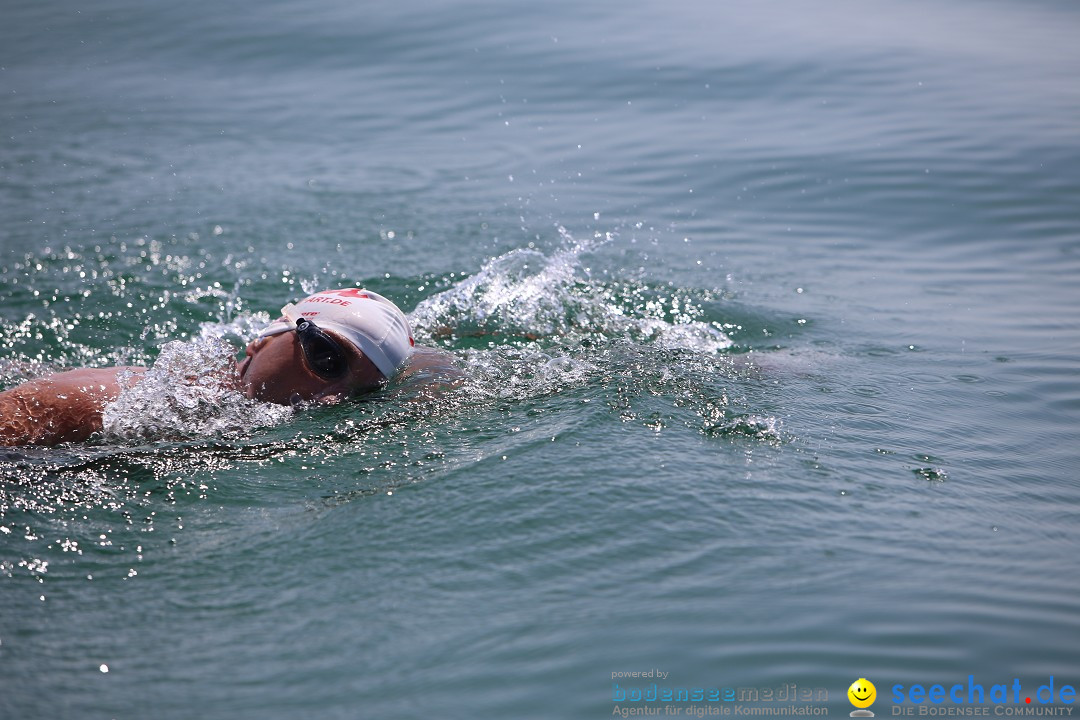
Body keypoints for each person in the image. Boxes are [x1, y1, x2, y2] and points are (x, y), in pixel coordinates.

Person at [0, 288, 449, 447]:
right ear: (264, 339)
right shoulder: (105, 402)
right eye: (327, 360)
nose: (333, 397)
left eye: (358, 392)